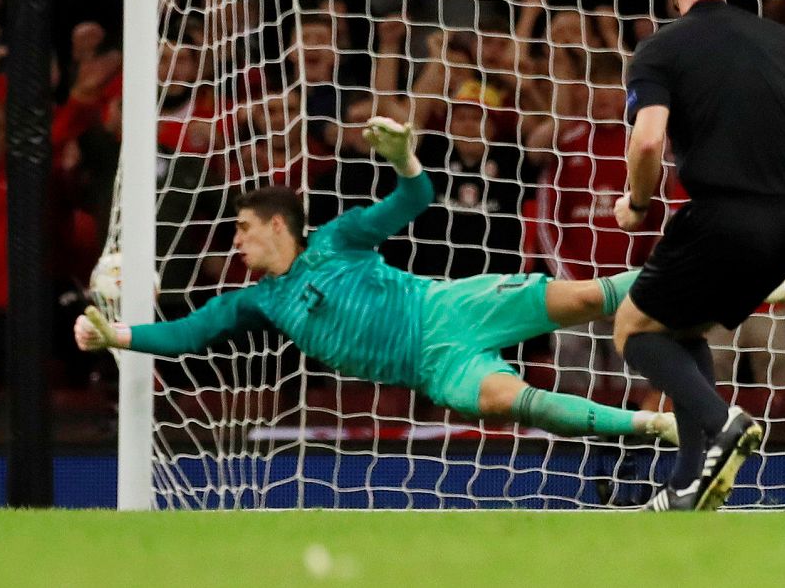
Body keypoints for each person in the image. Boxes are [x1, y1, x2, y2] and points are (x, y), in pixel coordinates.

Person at [73, 116, 679, 446]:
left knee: (586, 297)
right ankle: (653, 425)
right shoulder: (259, 301)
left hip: (448, 308)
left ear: (279, 226)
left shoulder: (337, 238)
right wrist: (117, 336)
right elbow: (185, 334)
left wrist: (403, 157)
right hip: (433, 369)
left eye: (242, 228)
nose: (236, 241)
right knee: (518, 405)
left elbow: (415, 197)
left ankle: (737, 283)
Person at [612, 0, 785, 511]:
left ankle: (724, 424)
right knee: (683, 329)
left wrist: (638, 203)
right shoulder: (782, 40)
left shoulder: (660, 49)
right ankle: (687, 487)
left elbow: (648, 142)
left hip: (721, 217)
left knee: (634, 329)